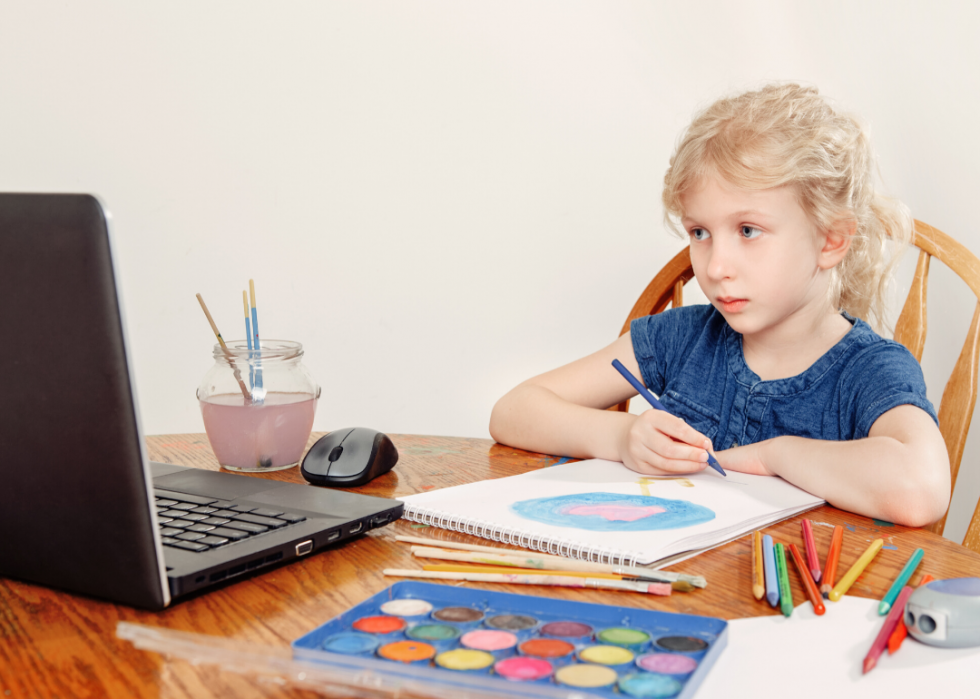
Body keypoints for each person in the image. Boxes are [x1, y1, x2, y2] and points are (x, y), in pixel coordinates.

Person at [489, 83, 950, 528]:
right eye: (699, 233)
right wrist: (623, 438)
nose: (716, 266)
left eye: (748, 230)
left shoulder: (869, 370)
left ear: (831, 240)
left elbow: (921, 487)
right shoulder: (680, 339)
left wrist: (776, 455)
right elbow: (514, 411)